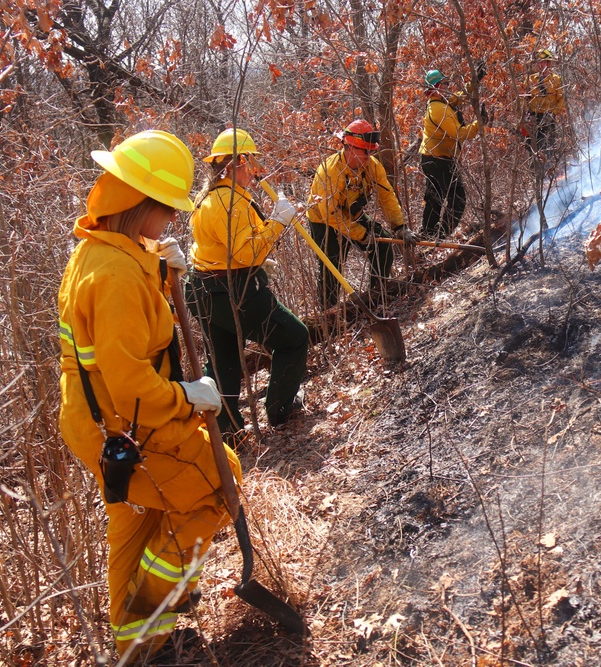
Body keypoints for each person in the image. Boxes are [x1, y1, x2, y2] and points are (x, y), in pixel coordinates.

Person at [57, 130, 242, 660]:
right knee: (216, 487)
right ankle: (158, 608)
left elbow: (124, 332)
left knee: (134, 525)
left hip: (95, 424)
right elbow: (133, 384)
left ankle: (136, 648)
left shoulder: (100, 249)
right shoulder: (115, 274)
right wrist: (189, 397)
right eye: (166, 211)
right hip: (126, 422)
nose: (171, 222)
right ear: (139, 205)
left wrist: (160, 266)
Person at [184, 128, 308, 437]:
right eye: (251, 162)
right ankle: (281, 409)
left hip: (203, 288)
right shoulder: (229, 202)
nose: (256, 171)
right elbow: (246, 251)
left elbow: (223, 246)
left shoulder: (208, 197)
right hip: (233, 291)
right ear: (236, 162)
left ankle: (227, 433)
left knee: (223, 362)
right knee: (294, 336)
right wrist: (278, 223)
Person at [306, 119, 416, 310]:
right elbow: (329, 213)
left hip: (351, 214)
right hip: (323, 220)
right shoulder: (330, 171)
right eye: (366, 150)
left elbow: (386, 195)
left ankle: (378, 294)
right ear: (349, 147)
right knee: (331, 267)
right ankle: (329, 315)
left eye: (372, 150)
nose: (370, 154)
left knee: (382, 243)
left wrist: (400, 227)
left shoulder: (372, 166)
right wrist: (361, 235)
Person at [419, 68, 487, 240]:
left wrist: (475, 80)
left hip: (432, 158)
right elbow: (460, 134)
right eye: (445, 84)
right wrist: (480, 123)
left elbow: (459, 96)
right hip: (439, 161)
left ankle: (428, 235)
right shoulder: (438, 109)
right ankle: (440, 236)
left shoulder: (443, 101)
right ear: (435, 87)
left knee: (435, 199)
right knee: (458, 199)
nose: (448, 86)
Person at [523, 49, 566, 169]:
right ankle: (536, 172)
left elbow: (561, 100)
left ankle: (548, 172)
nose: (540, 65)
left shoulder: (556, 80)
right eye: (538, 62)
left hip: (549, 117)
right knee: (532, 146)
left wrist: (554, 113)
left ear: (548, 64)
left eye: (543, 62)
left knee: (548, 146)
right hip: (534, 118)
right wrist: (527, 115)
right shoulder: (530, 80)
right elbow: (524, 99)